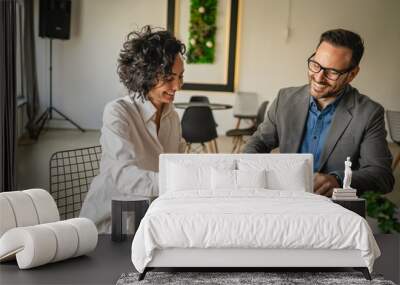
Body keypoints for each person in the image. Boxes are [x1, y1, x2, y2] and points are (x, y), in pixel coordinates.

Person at [243, 28, 394, 197]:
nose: (319, 77)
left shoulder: (369, 113)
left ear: (352, 74)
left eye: (332, 72)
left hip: (334, 211)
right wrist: (249, 167)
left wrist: (337, 179)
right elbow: (258, 143)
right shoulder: (284, 99)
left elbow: (382, 176)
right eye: (316, 65)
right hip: (284, 200)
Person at [80, 26, 186, 232]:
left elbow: (179, 162)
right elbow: (124, 176)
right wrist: (177, 181)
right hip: (110, 224)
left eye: (180, 77)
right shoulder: (118, 112)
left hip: (148, 221)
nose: (177, 86)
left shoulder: (172, 116)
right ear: (146, 75)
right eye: (168, 78)